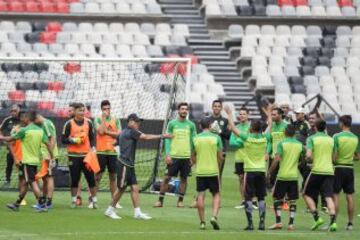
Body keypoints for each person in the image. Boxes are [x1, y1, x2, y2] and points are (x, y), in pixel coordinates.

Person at [104, 113, 172, 220]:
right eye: (137, 122)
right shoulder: (132, 131)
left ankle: (137, 212)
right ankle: (110, 210)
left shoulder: (123, 132)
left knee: (135, 188)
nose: (138, 124)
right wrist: (163, 136)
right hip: (125, 165)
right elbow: (146, 137)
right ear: (131, 122)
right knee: (121, 189)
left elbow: (115, 143)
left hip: (128, 165)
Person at [225, 106, 271, 231]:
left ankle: (250, 223)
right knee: (261, 197)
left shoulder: (247, 138)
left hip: (250, 171)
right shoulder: (264, 138)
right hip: (261, 171)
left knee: (248, 197)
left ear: (251, 128)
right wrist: (269, 114)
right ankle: (262, 222)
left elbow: (233, 128)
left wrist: (229, 114)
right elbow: (270, 126)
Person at [0, 111, 53, 212]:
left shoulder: (24, 130)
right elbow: (48, 144)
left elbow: (10, 139)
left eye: (23, 117)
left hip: (26, 161)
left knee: (32, 182)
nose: (21, 119)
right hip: (35, 161)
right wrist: (52, 157)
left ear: (27, 118)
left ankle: (42, 205)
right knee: (25, 182)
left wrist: (1, 137)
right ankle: (17, 204)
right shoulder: (40, 131)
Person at [154, 102, 196, 208]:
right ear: (178, 111)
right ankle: (160, 200)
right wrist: (168, 155)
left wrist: (193, 156)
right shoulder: (172, 124)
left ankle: (180, 201)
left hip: (186, 157)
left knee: (184, 179)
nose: (184, 111)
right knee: (167, 178)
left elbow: (194, 141)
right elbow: (167, 140)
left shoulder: (191, 125)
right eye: (182, 109)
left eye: (186, 109)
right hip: (174, 156)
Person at [268, 125, 305, 230]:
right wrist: (298, 164)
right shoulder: (299, 145)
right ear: (294, 133)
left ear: (285, 132)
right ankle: (291, 224)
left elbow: (276, 160)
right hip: (293, 176)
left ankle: (278, 222)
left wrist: (269, 171)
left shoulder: (282, 144)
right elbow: (305, 157)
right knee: (293, 201)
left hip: (283, 176)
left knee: (276, 198)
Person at [61, 102, 97, 209]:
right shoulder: (69, 124)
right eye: (80, 110)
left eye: (83, 110)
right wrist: (72, 140)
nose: (82, 112)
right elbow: (63, 139)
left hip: (86, 156)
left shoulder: (89, 122)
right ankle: (74, 200)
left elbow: (92, 137)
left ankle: (94, 201)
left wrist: (93, 148)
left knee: (91, 179)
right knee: (75, 179)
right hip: (73, 156)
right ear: (75, 111)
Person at [303, 119, 337, 232]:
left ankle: (317, 218)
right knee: (328, 196)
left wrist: (310, 159)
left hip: (317, 170)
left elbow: (308, 156)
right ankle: (333, 223)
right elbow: (334, 158)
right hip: (329, 171)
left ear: (315, 127)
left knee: (306, 194)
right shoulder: (331, 139)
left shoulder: (311, 138)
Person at [193, 118, 223, 230]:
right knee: (216, 194)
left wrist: (197, 163)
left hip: (200, 171)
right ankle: (214, 217)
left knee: (200, 195)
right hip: (213, 171)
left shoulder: (195, 138)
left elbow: (193, 156)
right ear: (210, 126)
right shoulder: (216, 138)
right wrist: (218, 166)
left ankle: (202, 222)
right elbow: (220, 156)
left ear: (200, 126)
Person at [333, 115, 359, 231]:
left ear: (342, 123)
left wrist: (333, 160)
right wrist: (349, 157)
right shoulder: (355, 137)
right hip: (350, 169)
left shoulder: (336, 136)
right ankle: (350, 224)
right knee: (350, 197)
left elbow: (335, 156)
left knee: (335, 195)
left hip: (339, 168)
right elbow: (357, 157)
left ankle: (333, 222)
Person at [94, 100, 122, 208]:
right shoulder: (97, 119)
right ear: (101, 109)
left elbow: (119, 134)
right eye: (105, 109)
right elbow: (100, 132)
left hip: (113, 152)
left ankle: (114, 201)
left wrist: (107, 132)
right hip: (101, 151)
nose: (107, 111)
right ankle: (93, 199)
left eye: (108, 108)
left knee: (113, 177)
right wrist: (104, 119)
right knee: (97, 177)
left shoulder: (116, 120)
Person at [33, 113, 58, 209]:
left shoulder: (46, 123)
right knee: (45, 179)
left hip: (49, 156)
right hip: (46, 156)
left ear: (38, 117)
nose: (35, 123)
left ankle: (49, 202)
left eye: (35, 121)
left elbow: (53, 139)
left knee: (49, 178)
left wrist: (50, 156)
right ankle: (43, 201)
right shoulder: (45, 124)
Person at [231, 107, 254, 209]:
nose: (241, 116)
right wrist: (242, 142)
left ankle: (253, 201)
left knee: (250, 180)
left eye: (244, 114)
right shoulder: (236, 127)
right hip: (239, 158)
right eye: (240, 114)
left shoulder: (252, 127)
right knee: (241, 179)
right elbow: (232, 143)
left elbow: (252, 140)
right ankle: (244, 200)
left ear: (248, 115)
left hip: (250, 157)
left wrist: (239, 141)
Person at [207, 100, 230, 179]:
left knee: (218, 175)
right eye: (215, 106)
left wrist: (219, 131)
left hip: (220, 150)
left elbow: (229, 136)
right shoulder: (207, 120)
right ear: (212, 107)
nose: (216, 108)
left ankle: (217, 191)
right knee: (207, 174)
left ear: (221, 108)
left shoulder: (225, 121)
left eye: (218, 106)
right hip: (208, 149)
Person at [0, 104, 20, 186]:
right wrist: (2, 138)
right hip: (10, 146)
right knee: (9, 164)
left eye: (15, 111)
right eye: (12, 111)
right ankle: (7, 180)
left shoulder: (23, 120)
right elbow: (0, 129)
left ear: (18, 111)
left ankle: (22, 180)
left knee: (21, 165)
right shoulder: (7, 120)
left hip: (20, 148)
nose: (13, 113)